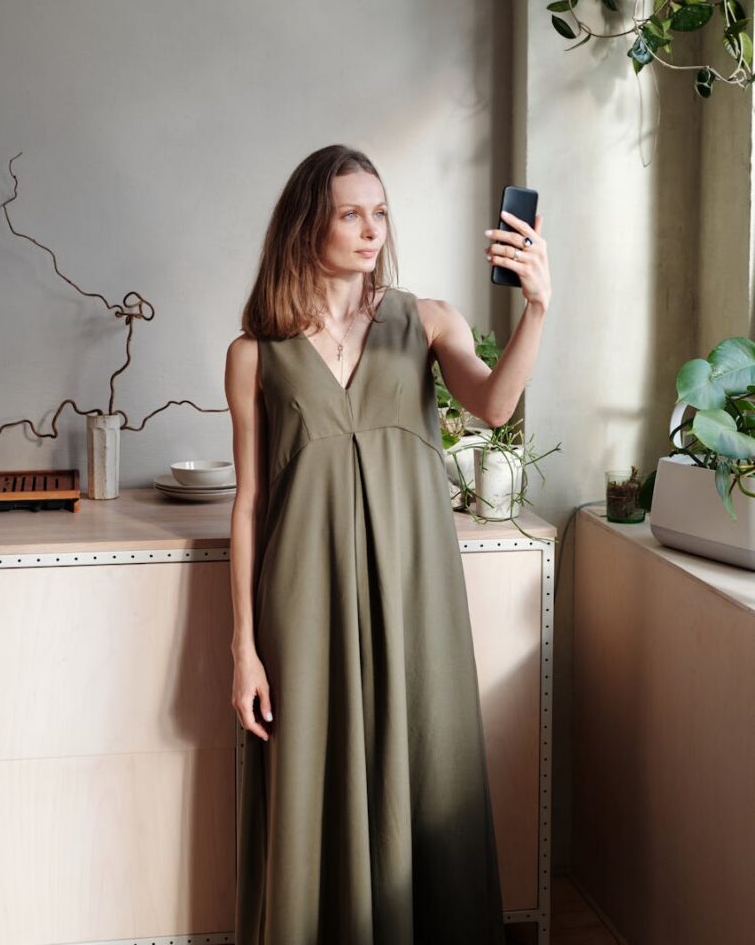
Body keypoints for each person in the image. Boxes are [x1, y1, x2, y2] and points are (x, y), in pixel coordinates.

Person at [224, 144, 551, 945]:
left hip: (415, 591)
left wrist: (538, 307)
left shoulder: (428, 321)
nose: (371, 230)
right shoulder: (253, 354)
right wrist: (244, 648)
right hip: (302, 601)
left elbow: (496, 407)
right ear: (310, 223)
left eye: (380, 212)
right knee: (314, 779)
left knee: (426, 766)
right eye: (350, 213)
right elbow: (251, 501)